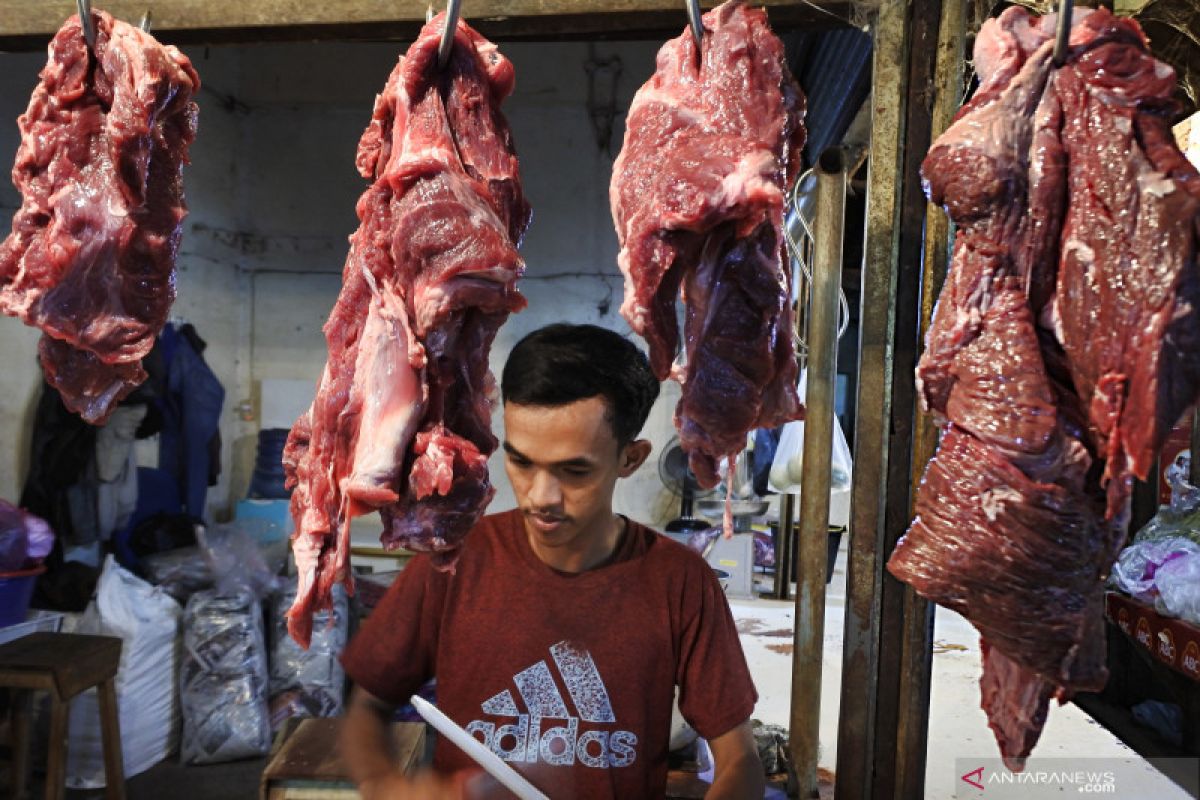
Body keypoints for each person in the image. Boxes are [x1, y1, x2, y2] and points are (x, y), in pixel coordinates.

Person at [340, 323, 764, 799]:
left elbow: (740, 760)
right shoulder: (455, 561)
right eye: (522, 462)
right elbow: (365, 710)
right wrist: (386, 786)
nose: (541, 497)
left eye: (574, 470)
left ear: (631, 459)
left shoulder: (679, 581)